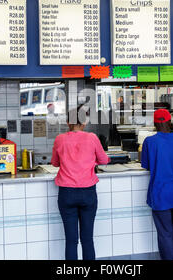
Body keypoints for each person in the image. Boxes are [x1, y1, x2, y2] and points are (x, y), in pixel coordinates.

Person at [51, 105, 110, 260]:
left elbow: (55, 163)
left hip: (66, 193)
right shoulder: (92, 137)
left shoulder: (60, 139)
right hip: (88, 193)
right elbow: (104, 160)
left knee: (71, 241)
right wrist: (93, 159)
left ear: (67, 122)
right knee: (87, 239)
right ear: (84, 122)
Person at [141, 108, 173, 260]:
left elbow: (147, 165)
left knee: (165, 233)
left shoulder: (149, 142)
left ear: (155, 124)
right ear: (170, 122)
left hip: (160, 195)